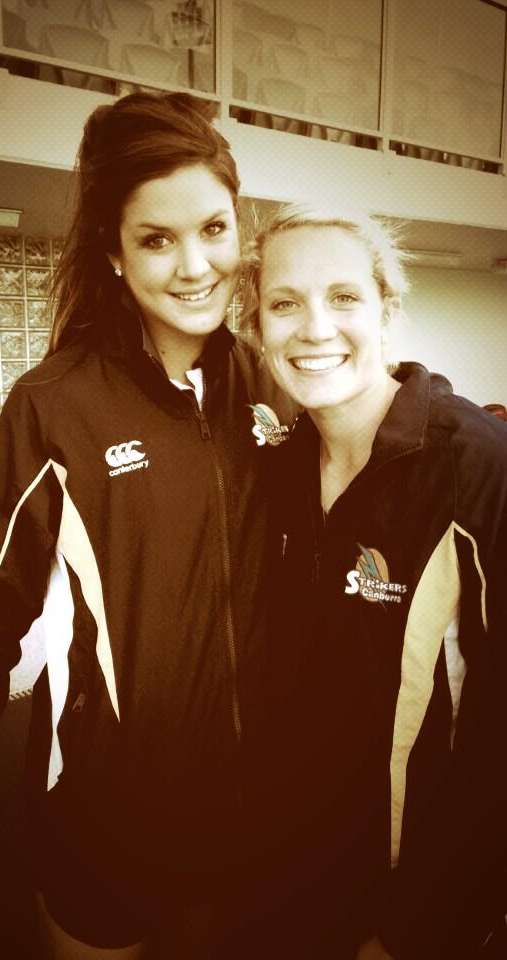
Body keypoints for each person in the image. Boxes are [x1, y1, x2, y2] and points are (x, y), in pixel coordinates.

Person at [0, 92, 294, 958]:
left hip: (249, 825)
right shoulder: (56, 406)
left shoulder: (277, 392)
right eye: (157, 239)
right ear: (114, 253)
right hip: (105, 823)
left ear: (240, 230)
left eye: (214, 229)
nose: (195, 266)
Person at [241, 204, 507, 959]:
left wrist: (425, 921)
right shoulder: (280, 468)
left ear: (387, 311)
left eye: (344, 297)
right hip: (294, 866)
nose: (315, 328)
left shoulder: (477, 465)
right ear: (258, 328)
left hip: (418, 888)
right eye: (284, 303)